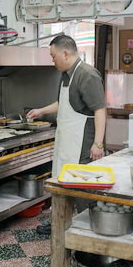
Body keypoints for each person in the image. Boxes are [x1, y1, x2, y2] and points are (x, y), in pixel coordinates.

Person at [26, 35, 107, 234]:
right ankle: (61, 224)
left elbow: (100, 110)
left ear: (65, 53)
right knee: (63, 183)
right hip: (67, 139)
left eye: (53, 56)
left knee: (80, 186)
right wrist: (41, 111)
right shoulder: (66, 74)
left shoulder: (87, 75)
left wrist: (98, 144)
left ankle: (87, 230)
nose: (52, 60)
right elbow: (64, 103)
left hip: (82, 141)